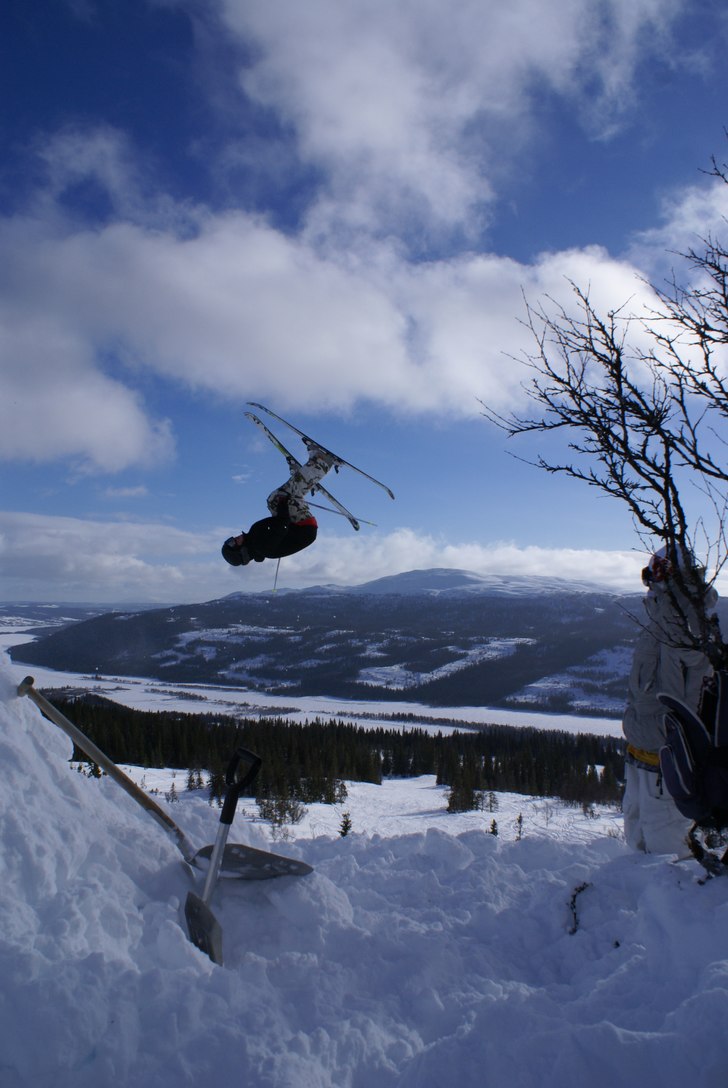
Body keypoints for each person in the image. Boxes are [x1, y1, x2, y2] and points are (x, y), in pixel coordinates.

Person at [622, 545, 718, 855]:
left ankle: (679, 901)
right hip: (641, 751)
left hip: (669, 759)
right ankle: (642, 900)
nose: (650, 579)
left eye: (658, 571)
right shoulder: (660, 619)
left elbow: (695, 668)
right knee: (636, 839)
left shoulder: (688, 621)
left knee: (667, 849)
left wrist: (678, 605)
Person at [222, 446, 338, 567]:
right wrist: (283, 504)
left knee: (273, 501)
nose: (234, 538)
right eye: (232, 543)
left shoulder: (254, 540)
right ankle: (322, 462)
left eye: (231, 539)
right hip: (303, 527)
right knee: (282, 497)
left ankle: (302, 479)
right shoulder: (261, 546)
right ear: (241, 551)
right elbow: (282, 525)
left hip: (294, 526)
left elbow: (278, 524)